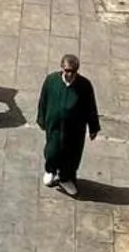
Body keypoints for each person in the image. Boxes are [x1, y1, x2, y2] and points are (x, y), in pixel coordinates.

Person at [37, 53, 101, 196]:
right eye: (67, 70)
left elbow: (91, 107)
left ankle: (66, 178)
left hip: (75, 129)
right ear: (62, 68)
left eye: (73, 71)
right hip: (54, 126)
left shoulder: (84, 86)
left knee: (71, 155)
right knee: (52, 150)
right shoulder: (51, 81)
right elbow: (43, 100)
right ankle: (50, 170)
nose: (70, 74)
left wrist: (93, 127)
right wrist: (41, 118)